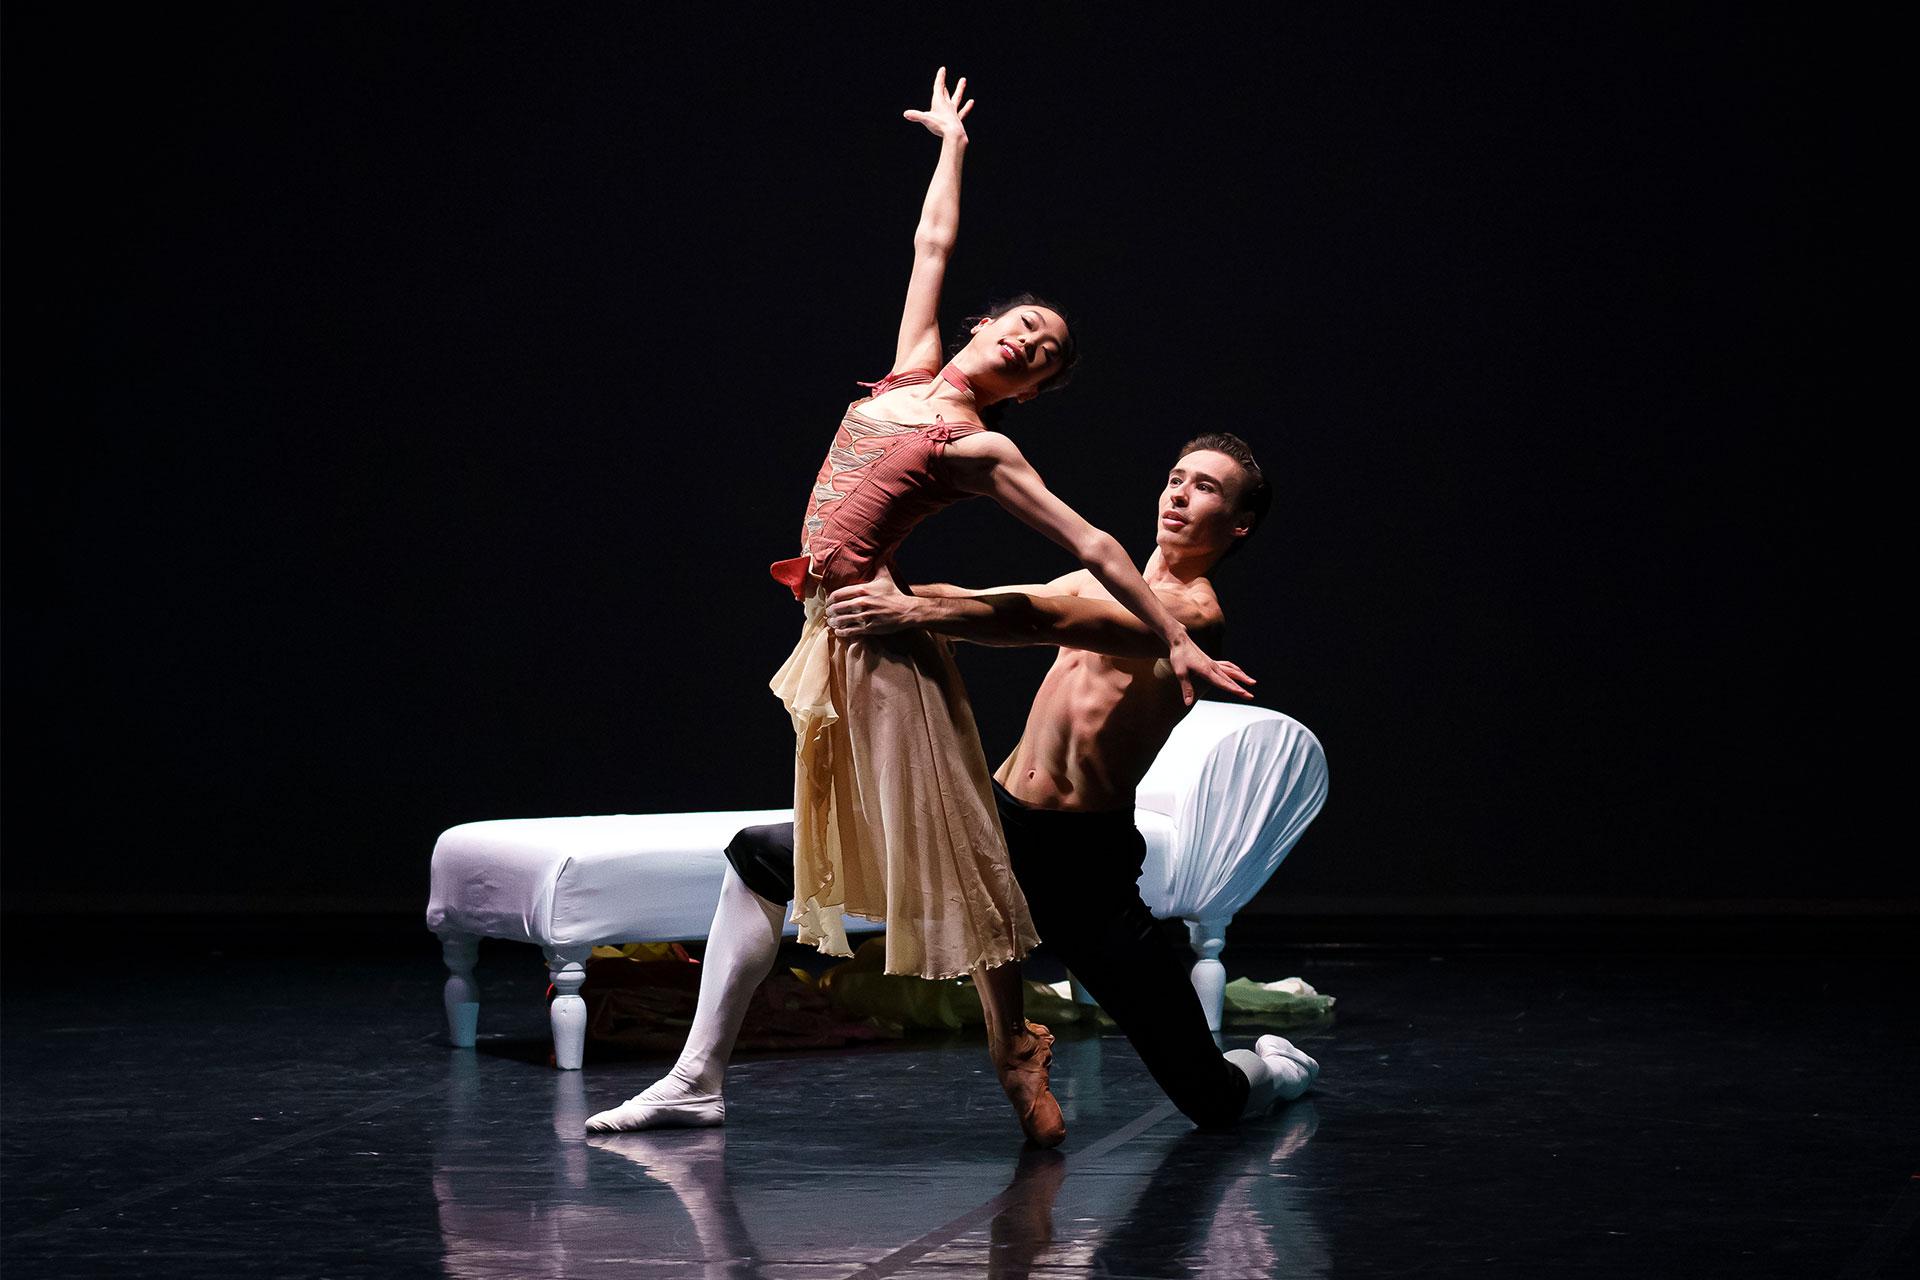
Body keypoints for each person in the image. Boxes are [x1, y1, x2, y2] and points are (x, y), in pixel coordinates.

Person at [584, 69, 1251, 1146]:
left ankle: (1141, 1061)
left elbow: (1081, 552)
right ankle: (716, 1072)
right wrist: (950, 145)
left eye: (1041, 360)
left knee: (1162, 1049)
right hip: (838, 638)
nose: (1024, 346)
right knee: (865, 862)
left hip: (903, 670)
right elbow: (928, 247)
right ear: (986, 325)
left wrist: (1173, 636)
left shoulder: (978, 445)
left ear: (1028, 393)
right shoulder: (905, 375)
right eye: (1020, 329)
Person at [585, 434, 1315, 1144]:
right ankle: (696, 1080)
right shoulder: (1109, 578)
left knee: (1210, 1099)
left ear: (1239, 523)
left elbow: (1039, 620)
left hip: (1080, 865)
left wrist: (917, 611)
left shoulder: (1191, 618)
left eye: (1207, 488)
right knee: (761, 856)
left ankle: (1276, 1070)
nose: (1181, 495)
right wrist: (861, 582)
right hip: (993, 825)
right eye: (1177, 478)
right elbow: (984, 600)